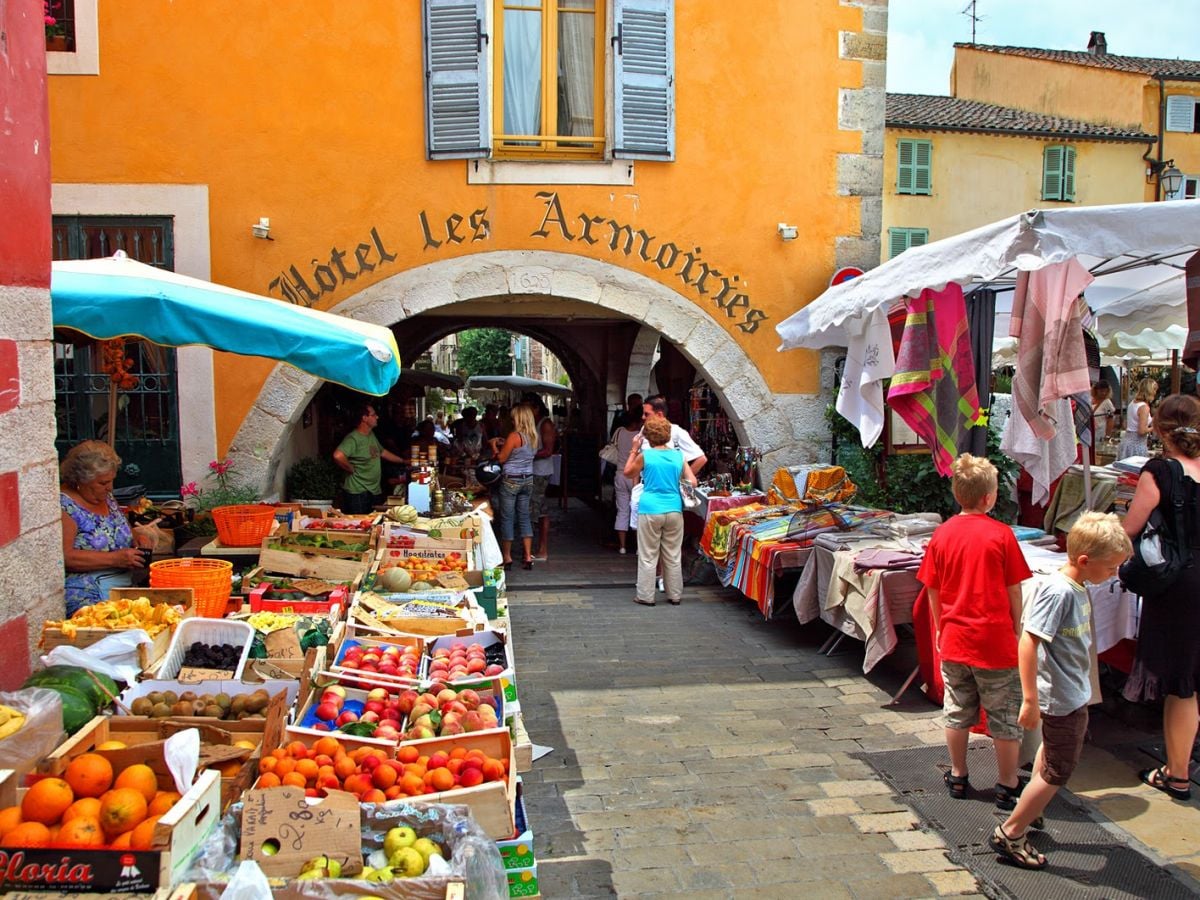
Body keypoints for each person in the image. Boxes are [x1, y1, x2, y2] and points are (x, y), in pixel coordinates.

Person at [991, 512, 1132, 870]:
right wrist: (1030, 699)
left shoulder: (1076, 586)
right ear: (1085, 561)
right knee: (1059, 769)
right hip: (1061, 697)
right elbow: (1028, 641)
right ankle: (1010, 832)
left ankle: (1029, 810)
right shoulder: (1058, 592)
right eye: (1111, 567)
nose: (1114, 574)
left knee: (1051, 756)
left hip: (1071, 693)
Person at [916, 454, 1033, 811]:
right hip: (994, 641)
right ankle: (1008, 782)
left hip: (954, 637)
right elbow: (1014, 589)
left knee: (957, 708)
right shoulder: (1001, 535)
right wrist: (1016, 628)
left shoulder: (942, 534)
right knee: (1003, 715)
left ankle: (958, 773)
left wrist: (939, 625)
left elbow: (932, 589)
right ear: (989, 497)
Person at [1121, 394, 1200, 802]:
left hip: (1180, 584)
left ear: (1160, 428)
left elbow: (1130, 529)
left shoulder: (1161, 472)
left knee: (1181, 683)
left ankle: (1178, 774)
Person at [60, 441, 149, 616]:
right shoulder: (65, 506)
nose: (110, 488)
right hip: (88, 594)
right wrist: (114, 559)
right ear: (80, 481)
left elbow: (119, 530)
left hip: (122, 585)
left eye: (111, 481)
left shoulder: (105, 497)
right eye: (103, 483)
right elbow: (65, 557)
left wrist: (138, 537)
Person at [624, 416, 696, 606]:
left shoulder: (645, 456)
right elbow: (693, 482)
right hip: (674, 509)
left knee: (648, 554)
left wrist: (633, 449)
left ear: (647, 436)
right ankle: (675, 595)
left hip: (650, 509)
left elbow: (628, 472)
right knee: (672, 555)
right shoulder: (678, 456)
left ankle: (646, 596)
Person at [641, 394, 708, 591]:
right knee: (654, 541)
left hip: (670, 495)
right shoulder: (644, 433)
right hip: (650, 494)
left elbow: (700, 458)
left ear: (659, 414)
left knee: (668, 541)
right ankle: (659, 580)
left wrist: (680, 482)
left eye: (647, 414)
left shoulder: (677, 433)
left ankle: (663, 580)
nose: (643, 418)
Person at [491, 403, 539, 570]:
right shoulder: (533, 436)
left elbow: (502, 458)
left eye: (513, 418)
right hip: (527, 480)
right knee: (524, 517)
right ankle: (527, 556)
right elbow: (522, 451)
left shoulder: (514, 436)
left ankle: (507, 556)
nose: (511, 421)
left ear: (518, 419)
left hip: (511, 480)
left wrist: (493, 445)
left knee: (507, 518)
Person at [333, 403, 404, 514]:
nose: (377, 417)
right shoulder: (353, 438)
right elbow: (338, 456)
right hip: (358, 492)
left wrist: (403, 461)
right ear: (364, 418)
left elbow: (382, 452)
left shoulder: (370, 435)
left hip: (373, 490)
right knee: (361, 525)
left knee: (374, 521)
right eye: (374, 415)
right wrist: (350, 468)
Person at [528, 398, 558, 560]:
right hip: (534, 471)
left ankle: (538, 549)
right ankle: (540, 549)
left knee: (534, 510)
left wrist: (528, 455)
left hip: (540, 472)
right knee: (541, 509)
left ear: (536, 408)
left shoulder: (545, 425)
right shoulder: (534, 425)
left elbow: (548, 450)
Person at [612, 405, 643, 555]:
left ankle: (622, 546)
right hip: (634, 475)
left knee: (622, 510)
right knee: (637, 510)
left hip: (620, 474)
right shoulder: (639, 436)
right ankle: (638, 547)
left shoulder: (619, 432)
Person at [1118, 377, 1158, 459]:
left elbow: (1128, 423)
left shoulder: (1133, 403)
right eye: (1155, 390)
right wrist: (1155, 427)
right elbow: (1142, 431)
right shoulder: (1144, 407)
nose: (1155, 393)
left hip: (1127, 441)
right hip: (1136, 444)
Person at [1091, 381, 1116, 446]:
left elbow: (1110, 420)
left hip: (1100, 433)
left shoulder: (1107, 403)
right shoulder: (1091, 400)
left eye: (1106, 391)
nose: (1104, 393)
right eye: (1101, 391)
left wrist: (1107, 436)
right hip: (1090, 432)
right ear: (1096, 390)